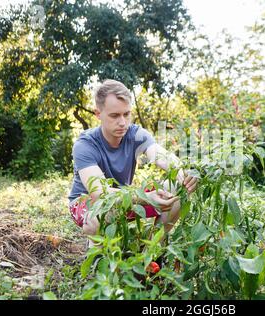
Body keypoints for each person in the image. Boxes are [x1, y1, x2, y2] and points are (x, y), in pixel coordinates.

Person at [68, 79, 197, 237]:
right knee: (96, 219)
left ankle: (149, 249)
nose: (122, 122)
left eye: (126, 114)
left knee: (177, 191)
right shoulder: (85, 145)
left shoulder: (135, 134)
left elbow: (160, 155)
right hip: (89, 203)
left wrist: (183, 173)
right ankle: (97, 255)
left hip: (127, 199)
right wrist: (145, 198)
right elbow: (99, 194)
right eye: (114, 115)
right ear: (98, 114)